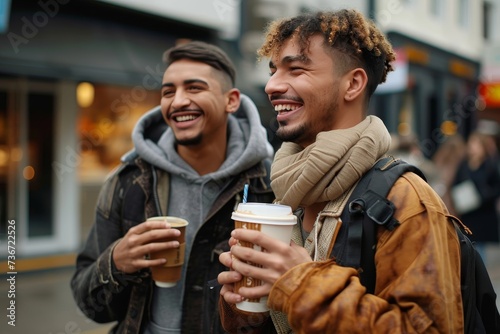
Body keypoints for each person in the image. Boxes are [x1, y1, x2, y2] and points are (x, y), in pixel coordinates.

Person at [218, 9, 463, 333]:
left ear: (353, 84)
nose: (272, 85)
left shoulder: (407, 200)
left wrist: (302, 284)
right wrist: (243, 309)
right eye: (274, 70)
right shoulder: (286, 190)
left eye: (296, 69)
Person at [71, 41, 275, 333]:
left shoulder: (269, 183)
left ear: (231, 100)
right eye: (168, 91)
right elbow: (87, 302)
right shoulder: (128, 180)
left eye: (194, 88)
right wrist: (116, 261)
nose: (177, 101)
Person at [451, 131, 500, 262]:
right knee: (467, 243)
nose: (472, 147)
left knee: (480, 248)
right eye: (471, 143)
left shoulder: (490, 165)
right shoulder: (464, 164)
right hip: (467, 211)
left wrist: (483, 197)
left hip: (483, 212)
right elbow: (455, 183)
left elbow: (496, 188)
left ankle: (479, 276)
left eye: (476, 144)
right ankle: (470, 276)